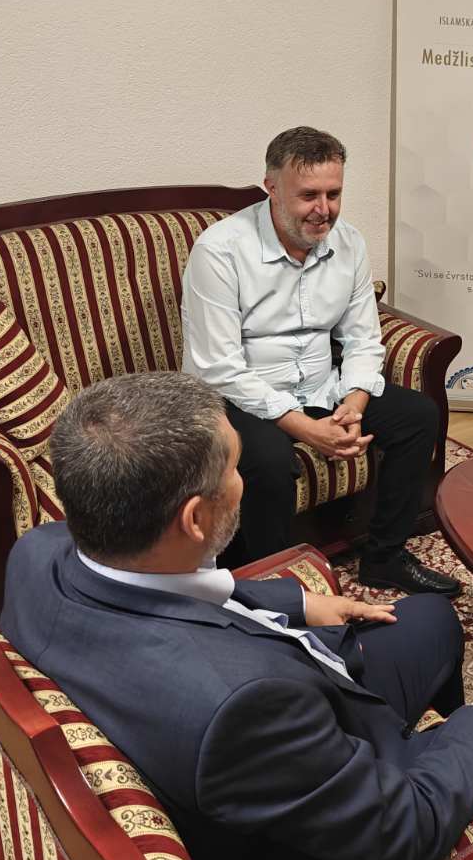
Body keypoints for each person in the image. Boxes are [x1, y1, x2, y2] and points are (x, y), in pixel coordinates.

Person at [0, 372, 473, 860]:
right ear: (194, 520)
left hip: (273, 720)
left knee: (430, 618)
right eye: (236, 469)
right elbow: (408, 832)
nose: (244, 482)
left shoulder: (41, 552)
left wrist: (298, 602)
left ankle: (429, 743)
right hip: (297, 824)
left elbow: (169, 586)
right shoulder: (241, 710)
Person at [181, 126, 458, 595]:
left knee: (418, 416)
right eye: (309, 195)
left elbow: (363, 338)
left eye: (333, 194)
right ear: (272, 188)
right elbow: (220, 367)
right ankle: (274, 584)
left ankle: (384, 557)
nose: (323, 209)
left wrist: (353, 404)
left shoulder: (348, 242)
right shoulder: (220, 250)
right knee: (269, 461)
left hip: (318, 383)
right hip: (238, 395)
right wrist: (308, 430)